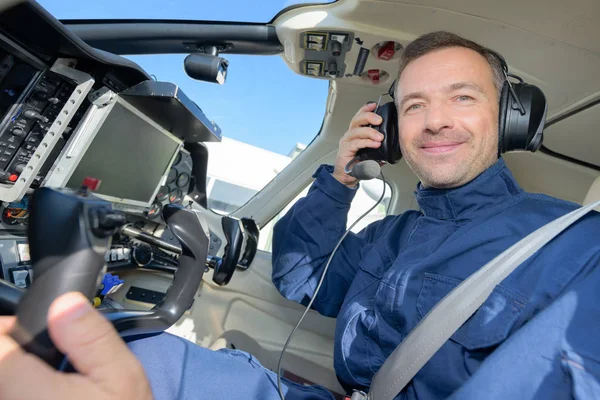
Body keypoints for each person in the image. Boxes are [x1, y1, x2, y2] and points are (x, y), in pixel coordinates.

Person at [0, 31, 599, 400]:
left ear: (510, 118)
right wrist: (338, 179)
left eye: (462, 98)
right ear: (394, 128)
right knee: (100, 352)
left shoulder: (573, 246)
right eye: (415, 105)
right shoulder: (393, 234)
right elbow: (301, 278)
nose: (436, 121)